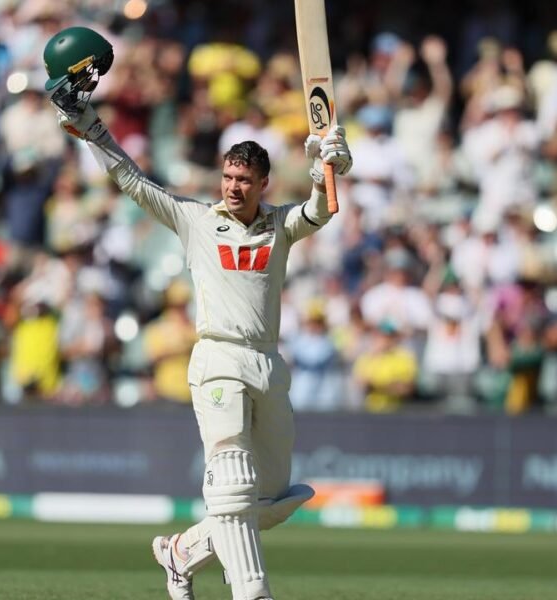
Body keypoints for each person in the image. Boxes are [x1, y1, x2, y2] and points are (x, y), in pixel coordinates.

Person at [44, 27, 353, 600]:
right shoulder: (194, 220)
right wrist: (90, 127)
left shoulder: (278, 225)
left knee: (274, 499)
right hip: (215, 358)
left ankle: (181, 552)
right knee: (232, 484)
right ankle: (251, 593)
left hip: (266, 361)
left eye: (244, 180)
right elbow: (131, 179)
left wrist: (330, 166)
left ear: (263, 183)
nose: (233, 187)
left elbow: (321, 210)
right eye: (228, 177)